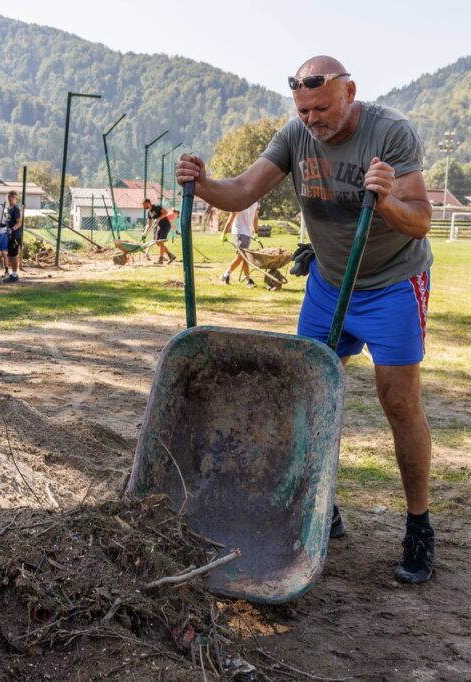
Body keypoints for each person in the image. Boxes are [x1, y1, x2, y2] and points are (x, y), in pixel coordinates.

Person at [177, 56, 436, 584]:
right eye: (303, 109)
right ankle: (318, 505)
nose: (312, 119)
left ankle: (419, 526)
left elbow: (420, 222)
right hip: (327, 284)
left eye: (322, 108)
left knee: (400, 401)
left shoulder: (391, 133)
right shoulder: (295, 135)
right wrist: (202, 183)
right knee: (305, 396)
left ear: (350, 93)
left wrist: (385, 199)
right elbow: (243, 191)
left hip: (391, 284)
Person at [220, 202, 259, 288]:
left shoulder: (255, 202)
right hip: (239, 231)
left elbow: (255, 217)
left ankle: (228, 276)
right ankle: (245, 279)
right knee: (242, 255)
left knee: (244, 256)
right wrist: (224, 233)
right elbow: (232, 216)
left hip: (248, 233)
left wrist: (256, 232)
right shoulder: (239, 200)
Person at [141, 198, 177, 264]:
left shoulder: (157, 207)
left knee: (160, 242)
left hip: (165, 225)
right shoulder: (149, 213)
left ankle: (160, 260)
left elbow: (165, 212)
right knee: (158, 243)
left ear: (148, 203)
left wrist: (158, 218)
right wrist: (145, 233)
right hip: (159, 227)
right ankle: (170, 255)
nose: (143, 206)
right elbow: (148, 224)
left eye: (144, 205)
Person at [2, 191, 23, 283]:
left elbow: (19, 222)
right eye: (9, 196)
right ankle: (13, 273)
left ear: (15, 198)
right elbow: (8, 221)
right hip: (9, 235)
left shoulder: (15, 209)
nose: (10, 198)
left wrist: (12, 229)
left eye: (12, 197)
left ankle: (15, 275)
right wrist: (3, 225)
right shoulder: (7, 209)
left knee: (13, 255)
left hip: (15, 236)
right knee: (10, 255)